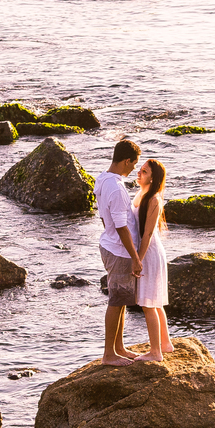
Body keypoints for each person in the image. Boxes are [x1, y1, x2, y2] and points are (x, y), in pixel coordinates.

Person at [94, 139, 143, 366]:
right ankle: (108, 355)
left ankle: (119, 347)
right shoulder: (117, 188)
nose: (134, 168)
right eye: (134, 164)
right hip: (120, 252)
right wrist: (135, 257)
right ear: (126, 161)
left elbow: (105, 219)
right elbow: (121, 226)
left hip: (110, 245)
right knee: (116, 301)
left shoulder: (103, 179)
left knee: (121, 300)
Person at [132, 159, 173, 361]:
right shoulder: (142, 194)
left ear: (153, 177)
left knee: (149, 303)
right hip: (147, 251)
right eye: (139, 170)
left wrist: (138, 259)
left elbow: (147, 234)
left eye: (144, 171)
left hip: (149, 253)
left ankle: (156, 352)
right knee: (155, 303)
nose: (139, 174)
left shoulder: (154, 199)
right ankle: (165, 344)